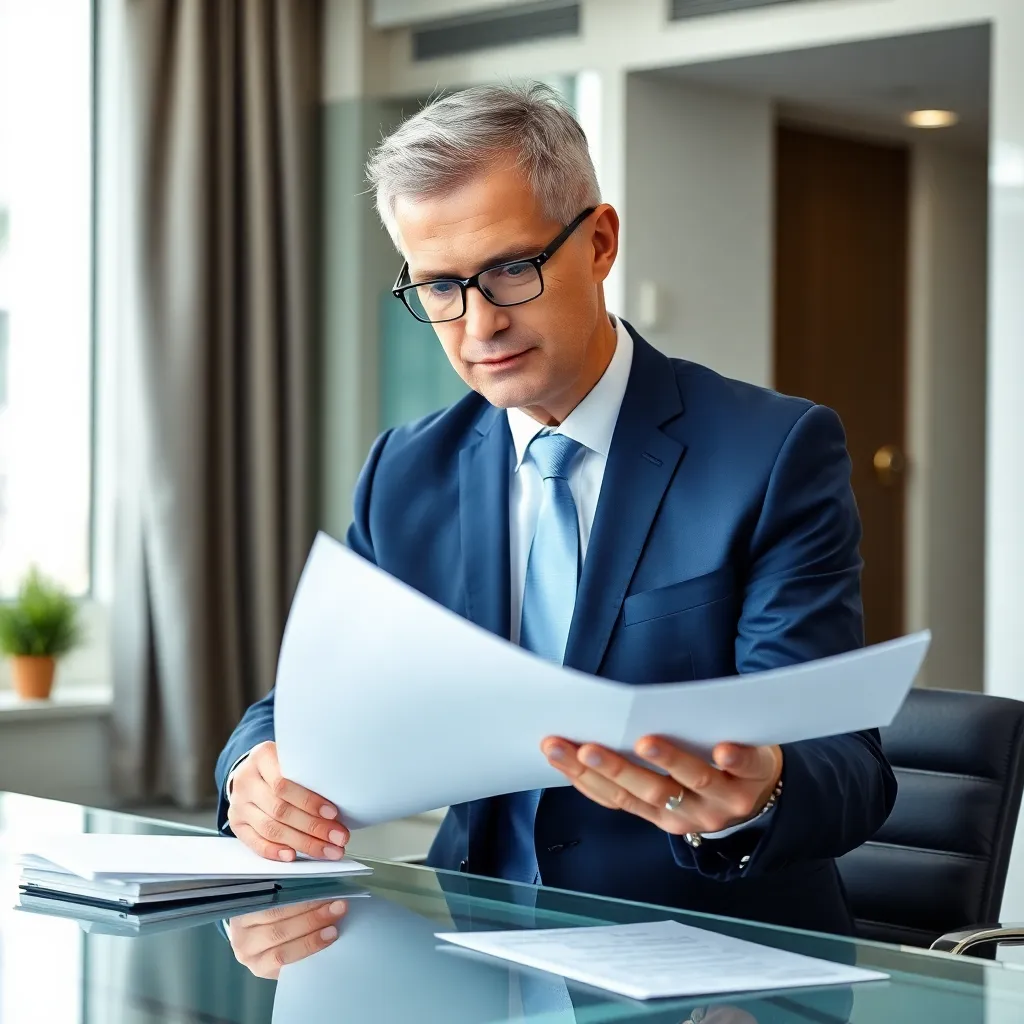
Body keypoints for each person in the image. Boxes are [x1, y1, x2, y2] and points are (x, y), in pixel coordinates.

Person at [215, 81, 896, 943]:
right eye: (439, 287)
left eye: (510, 269)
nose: (478, 325)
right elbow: (308, 701)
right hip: (469, 952)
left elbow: (849, 769)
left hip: (707, 958)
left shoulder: (772, 452)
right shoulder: (406, 470)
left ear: (601, 242)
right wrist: (253, 772)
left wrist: (754, 795)